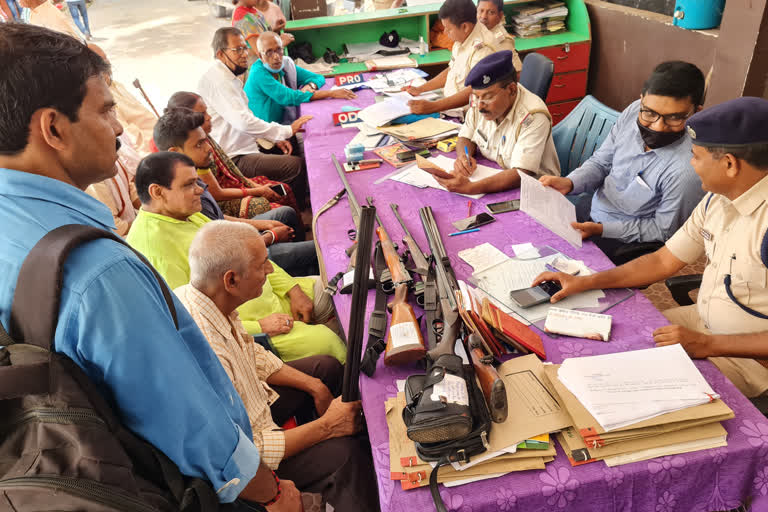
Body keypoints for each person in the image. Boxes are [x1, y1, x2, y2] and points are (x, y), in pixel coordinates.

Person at [0, 23, 303, 511]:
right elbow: (187, 421)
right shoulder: (97, 272)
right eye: (105, 110)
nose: (120, 128)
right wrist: (271, 494)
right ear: (53, 128)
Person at [533, 96, 768, 400]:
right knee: (618, 339)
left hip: (750, 357)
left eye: (695, 156)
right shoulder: (717, 199)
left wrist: (710, 345)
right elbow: (661, 261)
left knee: (642, 392)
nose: (691, 164)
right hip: (704, 322)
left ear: (729, 164)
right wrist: (585, 282)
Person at [177, 221, 380, 510]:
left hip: (257, 412)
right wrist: (327, 426)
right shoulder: (207, 350)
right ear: (231, 280)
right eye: (262, 265)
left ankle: (350, 432)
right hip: (247, 465)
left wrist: (316, 386)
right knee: (345, 455)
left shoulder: (205, 298)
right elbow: (251, 452)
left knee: (327, 368)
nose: (270, 271)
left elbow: (254, 354)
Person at [127, 152, 346, 363]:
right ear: (157, 192)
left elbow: (255, 257)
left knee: (339, 290)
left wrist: (293, 290)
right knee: (330, 343)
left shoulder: (183, 214)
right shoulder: (155, 248)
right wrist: (260, 326)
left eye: (197, 183)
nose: (199, 191)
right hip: (251, 330)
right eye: (188, 185)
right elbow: (194, 320)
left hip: (274, 298)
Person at [540, 61, 706, 265]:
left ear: (696, 113)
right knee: (536, 245)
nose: (658, 126)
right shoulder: (634, 111)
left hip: (624, 239)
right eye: (650, 113)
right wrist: (571, 183)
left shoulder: (688, 170)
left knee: (567, 277)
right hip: (593, 206)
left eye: (674, 118)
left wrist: (603, 230)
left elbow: (663, 229)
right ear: (641, 100)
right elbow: (602, 161)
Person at [153, 109, 319, 276]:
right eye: (199, 144)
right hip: (237, 259)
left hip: (230, 234)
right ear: (175, 152)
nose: (209, 148)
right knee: (317, 249)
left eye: (206, 141)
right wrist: (270, 237)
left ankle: (300, 270)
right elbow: (223, 256)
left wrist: (265, 226)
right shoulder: (180, 197)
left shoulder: (194, 172)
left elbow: (217, 219)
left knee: (286, 214)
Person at [198, 27, 312, 203]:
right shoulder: (220, 81)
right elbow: (244, 122)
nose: (244, 54)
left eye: (245, 48)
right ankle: (298, 212)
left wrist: (274, 138)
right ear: (221, 54)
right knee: (295, 165)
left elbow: (245, 116)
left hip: (247, 145)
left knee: (290, 148)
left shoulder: (228, 75)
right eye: (238, 50)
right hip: (236, 156)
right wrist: (286, 130)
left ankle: (287, 204)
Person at [434, 50, 560, 196]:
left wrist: (471, 188)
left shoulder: (533, 117)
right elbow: (465, 136)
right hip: (495, 174)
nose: (480, 107)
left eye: (488, 97)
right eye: (476, 97)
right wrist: (463, 157)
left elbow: (521, 174)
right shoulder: (479, 101)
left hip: (535, 190)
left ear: (512, 90)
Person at [166, 90, 302, 215]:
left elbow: (233, 173)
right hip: (221, 202)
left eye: (207, 112)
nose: (209, 118)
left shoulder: (206, 138)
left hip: (234, 182)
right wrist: (257, 190)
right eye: (202, 115)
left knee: (282, 189)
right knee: (273, 206)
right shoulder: (194, 150)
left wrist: (253, 186)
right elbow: (215, 193)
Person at [404, 0, 504, 117]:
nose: (445, 32)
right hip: (447, 103)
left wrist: (433, 107)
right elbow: (452, 70)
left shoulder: (484, 49)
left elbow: (475, 90)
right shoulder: (462, 36)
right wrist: (420, 89)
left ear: (465, 27)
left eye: (448, 29)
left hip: (466, 113)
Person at [244, 32, 356, 124]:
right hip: (265, 134)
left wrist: (310, 86)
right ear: (260, 56)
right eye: (269, 52)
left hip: (282, 125)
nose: (276, 57)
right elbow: (289, 97)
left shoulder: (286, 63)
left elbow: (317, 77)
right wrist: (331, 93)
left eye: (279, 49)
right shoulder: (258, 73)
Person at [476, 0, 522, 72]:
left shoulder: (502, 41)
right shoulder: (479, 30)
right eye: (481, 11)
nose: (483, 16)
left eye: (490, 12)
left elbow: (517, 72)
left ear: (500, 16)